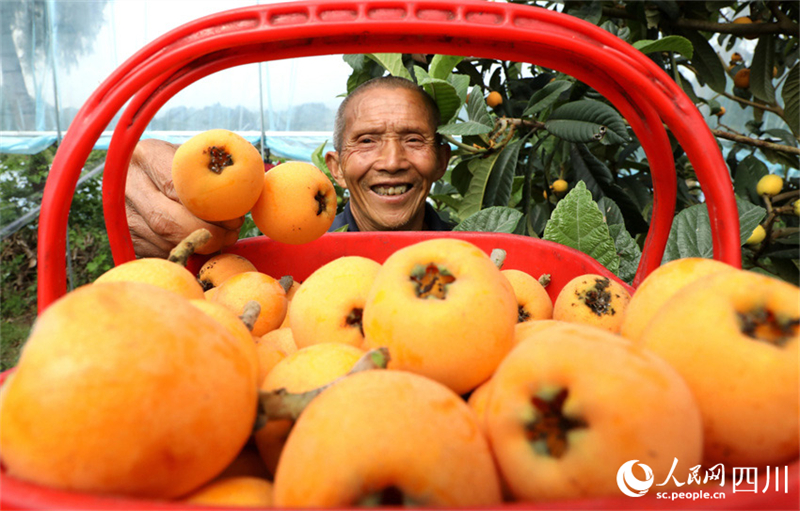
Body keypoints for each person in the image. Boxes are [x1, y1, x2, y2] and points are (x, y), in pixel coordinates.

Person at [125, 76, 452, 258]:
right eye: (367, 141)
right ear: (335, 168)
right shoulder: (281, 255)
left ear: (442, 161)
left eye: (413, 140)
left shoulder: (477, 256)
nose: (392, 162)